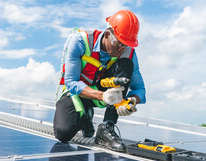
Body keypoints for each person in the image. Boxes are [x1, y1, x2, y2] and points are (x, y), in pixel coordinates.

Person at [53, 9, 146, 152]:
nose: (121, 50)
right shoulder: (80, 41)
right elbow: (71, 82)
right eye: (118, 44)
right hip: (77, 93)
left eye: (125, 45)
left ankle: (106, 127)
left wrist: (131, 101)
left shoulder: (129, 53)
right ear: (108, 34)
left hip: (104, 93)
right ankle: (84, 116)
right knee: (63, 133)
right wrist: (102, 96)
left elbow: (139, 89)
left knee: (126, 64)